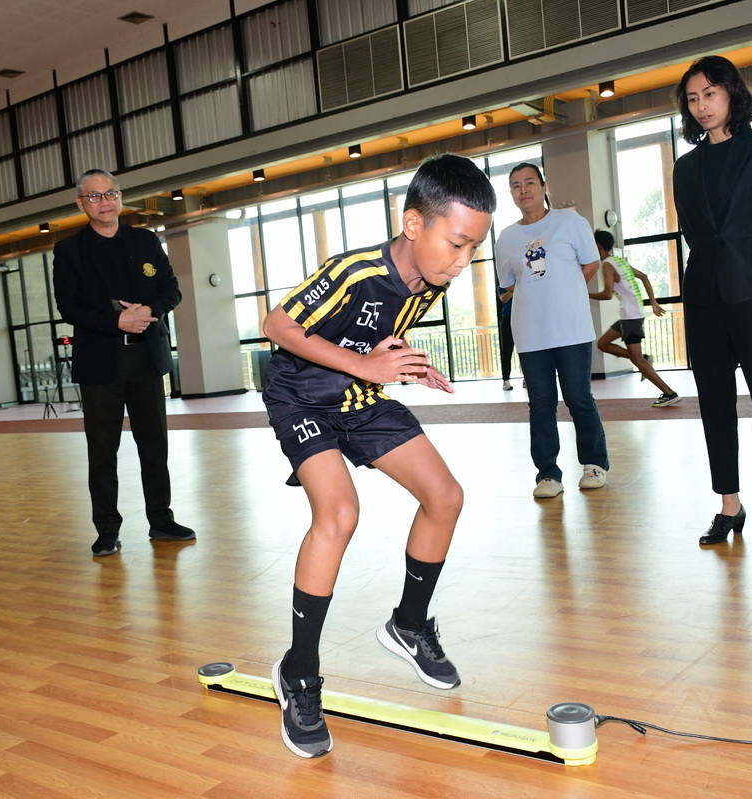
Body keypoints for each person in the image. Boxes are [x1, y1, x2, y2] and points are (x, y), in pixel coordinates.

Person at [260, 153, 495, 758]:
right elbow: (277, 326)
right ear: (413, 224)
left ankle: (408, 625)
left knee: (445, 496)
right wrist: (367, 366)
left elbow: (379, 335)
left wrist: (403, 363)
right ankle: (298, 671)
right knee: (339, 514)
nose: (464, 261)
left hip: (359, 397)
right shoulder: (354, 270)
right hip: (300, 396)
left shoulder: (430, 280)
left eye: (474, 248)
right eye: (457, 244)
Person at [671, 55, 752, 558]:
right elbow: (695, 233)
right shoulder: (686, 167)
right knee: (714, 405)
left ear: (732, 93)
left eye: (710, 93)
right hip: (705, 298)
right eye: (693, 98)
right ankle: (730, 505)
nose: (701, 105)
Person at [52, 169, 196, 557]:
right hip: (101, 361)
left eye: (110, 194)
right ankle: (106, 529)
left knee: (155, 446)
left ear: (119, 197)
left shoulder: (144, 240)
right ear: (80, 203)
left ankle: (161, 520)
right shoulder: (69, 250)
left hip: (146, 356)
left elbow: (171, 289)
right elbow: (69, 307)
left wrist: (150, 310)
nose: (104, 202)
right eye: (94, 196)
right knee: (103, 452)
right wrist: (116, 321)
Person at [496, 163, 609, 499]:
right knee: (541, 404)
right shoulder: (506, 238)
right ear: (511, 193)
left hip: (571, 329)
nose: (524, 190)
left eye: (530, 182)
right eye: (516, 185)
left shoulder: (570, 223)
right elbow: (507, 286)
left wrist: (567, 291)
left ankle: (594, 464)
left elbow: (591, 262)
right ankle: (548, 474)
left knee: (578, 398)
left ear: (544, 186)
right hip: (530, 334)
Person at [589, 230, 680, 407]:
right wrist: (653, 303)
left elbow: (607, 294)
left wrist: (585, 294)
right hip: (629, 315)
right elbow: (644, 277)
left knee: (637, 361)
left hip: (631, 317)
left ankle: (669, 393)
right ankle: (645, 357)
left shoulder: (607, 265)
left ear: (598, 246)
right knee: (603, 344)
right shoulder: (618, 261)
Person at [496, 284, 515, 390]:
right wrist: (513, 289)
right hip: (507, 319)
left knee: (525, 349)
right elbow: (504, 299)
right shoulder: (502, 286)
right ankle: (506, 381)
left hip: (522, 318)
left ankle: (527, 379)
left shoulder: (522, 282)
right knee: (507, 351)